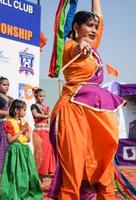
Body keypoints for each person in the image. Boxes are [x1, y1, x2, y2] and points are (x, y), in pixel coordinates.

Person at [48, 0, 126, 199]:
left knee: (104, 166)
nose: (93, 30)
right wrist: (79, 45)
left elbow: (98, 17)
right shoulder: (68, 47)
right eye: (89, 26)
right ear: (76, 27)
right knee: (73, 170)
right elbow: (74, 49)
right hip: (73, 111)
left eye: (95, 27)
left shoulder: (92, 46)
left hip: (95, 113)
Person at [0, 99, 42, 200]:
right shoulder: (9, 122)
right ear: (17, 111)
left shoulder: (24, 122)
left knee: (27, 172)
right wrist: (20, 131)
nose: (25, 112)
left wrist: (27, 136)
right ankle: (14, 194)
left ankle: (27, 193)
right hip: (15, 151)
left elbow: (28, 139)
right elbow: (9, 140)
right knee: (15, 173)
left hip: (24, 150)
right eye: (24, 110)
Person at [30, 87, 55, 182]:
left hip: (46, 132)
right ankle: (37, 177)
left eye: (44, 96)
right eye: (41, 96)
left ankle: (42, 177)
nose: (43, 98)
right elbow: (35, 115)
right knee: (39, 153)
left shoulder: (47, 107)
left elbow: (49, 120)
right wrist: (46, 115)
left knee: (47, 154)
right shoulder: (34, 106)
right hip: (38, 132)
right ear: (36, 96)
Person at [0, 76, 13, 183]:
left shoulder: (11, 99)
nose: (6, 87)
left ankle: (9, 182)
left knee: (11, 154)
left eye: (8, 84)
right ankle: (1, 183)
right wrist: (11, 113)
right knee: (1, 154)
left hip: (12, 126)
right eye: (4, 84)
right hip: (1, 126)